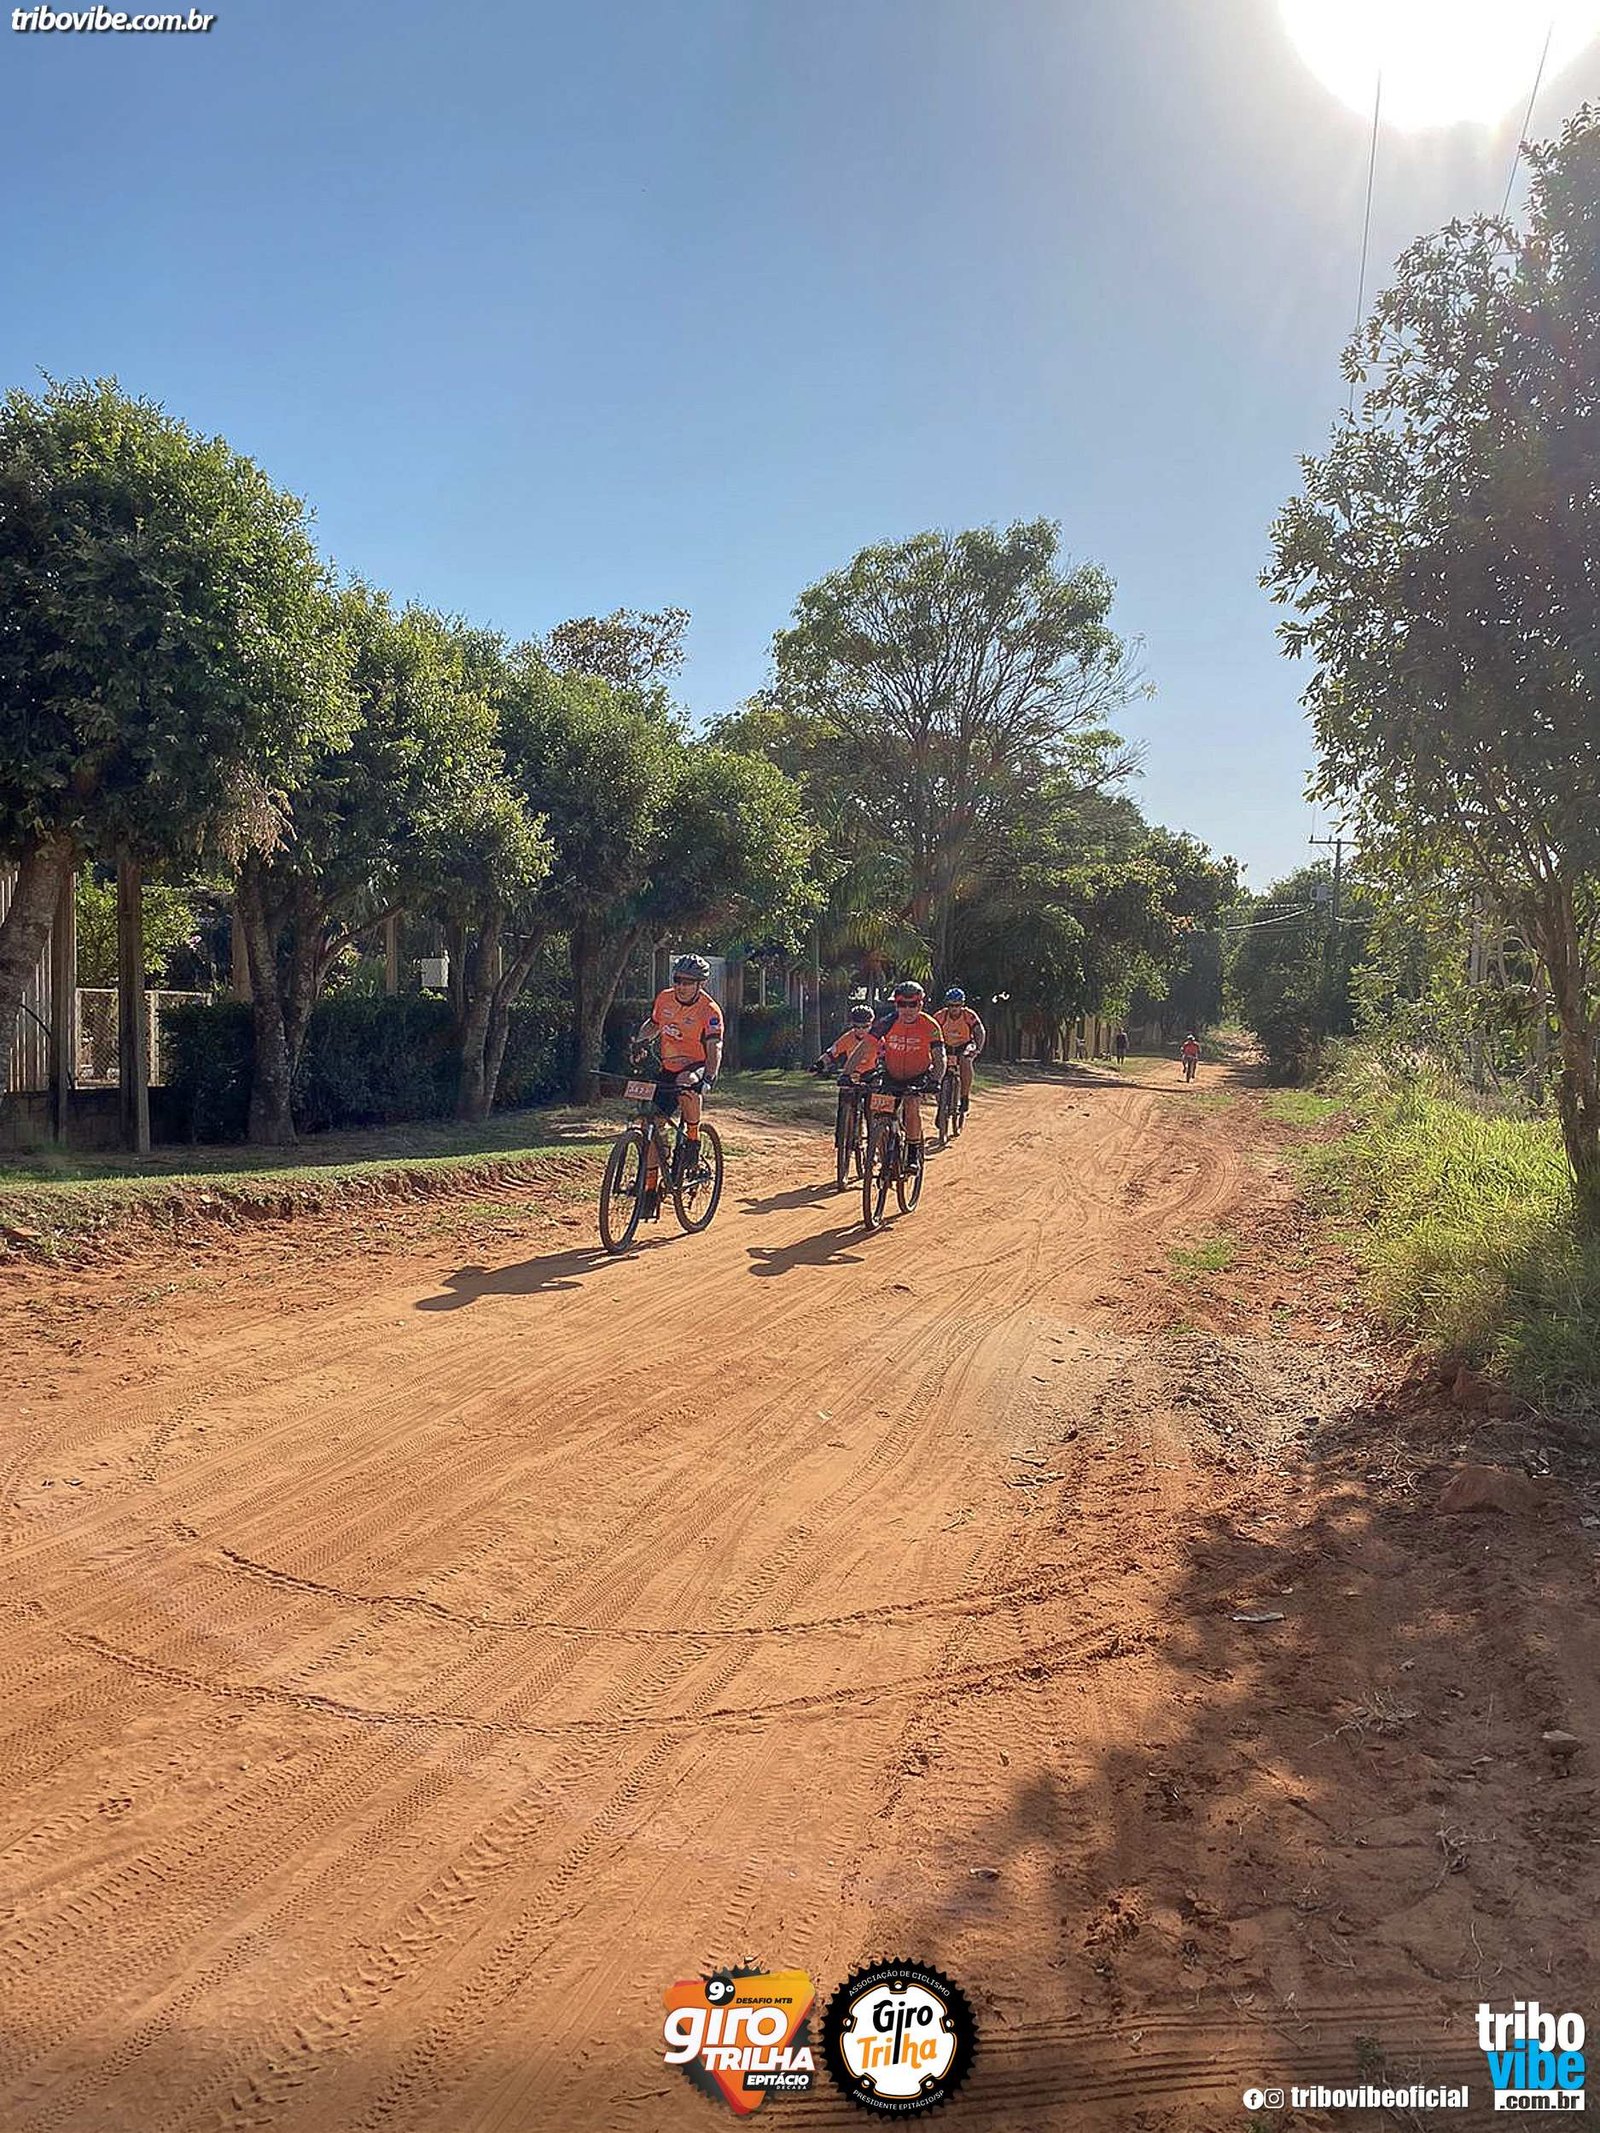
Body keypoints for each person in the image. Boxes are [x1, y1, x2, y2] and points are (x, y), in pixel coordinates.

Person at [634, 955, 723, 1185]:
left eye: (688, 982)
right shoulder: (664, 998)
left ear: (701, 984)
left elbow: (715, 1046)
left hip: (697, 1066)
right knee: (650, 1122)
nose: (681, 986)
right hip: (668, 1067)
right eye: (677, 980)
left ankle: (693, 1139)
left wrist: (709, 1078)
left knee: (686, 1081)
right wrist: (640, 1041)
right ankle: (650, 1187)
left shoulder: (709, 1010)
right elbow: (653, 1024)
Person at [868, 980, 947, 1166]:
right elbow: (864, 1047)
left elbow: (940, 1056)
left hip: (917, 1076)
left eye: (912, 1004)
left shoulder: (930, 1025)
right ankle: (881, 1149)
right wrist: (846, 1073)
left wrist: (936, 1080)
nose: (907, 1009)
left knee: (911, 1105)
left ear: (920, 1004)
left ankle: (912, 1153)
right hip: (891, 1074)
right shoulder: (887, 1022)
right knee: (878, 1110)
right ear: (896, 1004)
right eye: (902, 1004)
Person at [933, 987, 986, 1117]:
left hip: (964, 1045)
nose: (954, 1009)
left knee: (965, 1060)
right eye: (951, 1005)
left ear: (962, 1005)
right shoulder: (940, 1016)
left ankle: (964, 1096)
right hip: (945, 1045)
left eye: (957, 1005)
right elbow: (931, 1031)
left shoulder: (969, 1015)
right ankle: (940, 1103)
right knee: (937, 1067)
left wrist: (978, 1049)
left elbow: (979, 1031)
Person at [814, 1003, 881, 1081]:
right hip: (851, 1074)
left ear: (872, 1024)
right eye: (856, 1027)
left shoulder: (878, 1038)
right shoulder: (848, 1038)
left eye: (865, 1026)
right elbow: (831, 1053)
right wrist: (818, 1065)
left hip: (873, 1074)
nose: (861, 1030)